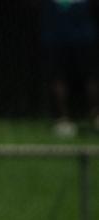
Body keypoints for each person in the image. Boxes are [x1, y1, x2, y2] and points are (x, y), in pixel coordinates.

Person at [40, 0, 99, 137]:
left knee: (90, 76)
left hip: (82, 30)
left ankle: (95, 115)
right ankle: (63, 120)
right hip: (55, 31)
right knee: (58, 77)